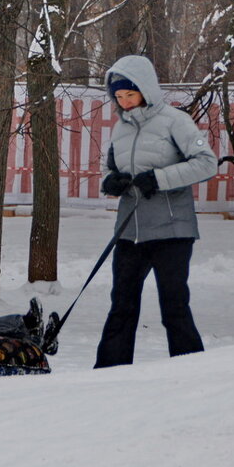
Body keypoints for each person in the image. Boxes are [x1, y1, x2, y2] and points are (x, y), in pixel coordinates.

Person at [95, 55, 217, 368]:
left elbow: (206, 163)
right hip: (130, 232)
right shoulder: (120, 129)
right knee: (121, 307)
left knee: (174, 307)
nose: (124, 102)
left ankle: (190, 369)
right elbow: (106, 169)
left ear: (146, 89)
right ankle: (108, 374)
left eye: (130, 94)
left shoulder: (175, 121)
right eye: (119, 96)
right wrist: (110, 182)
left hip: (172, 231)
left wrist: (159, 179)